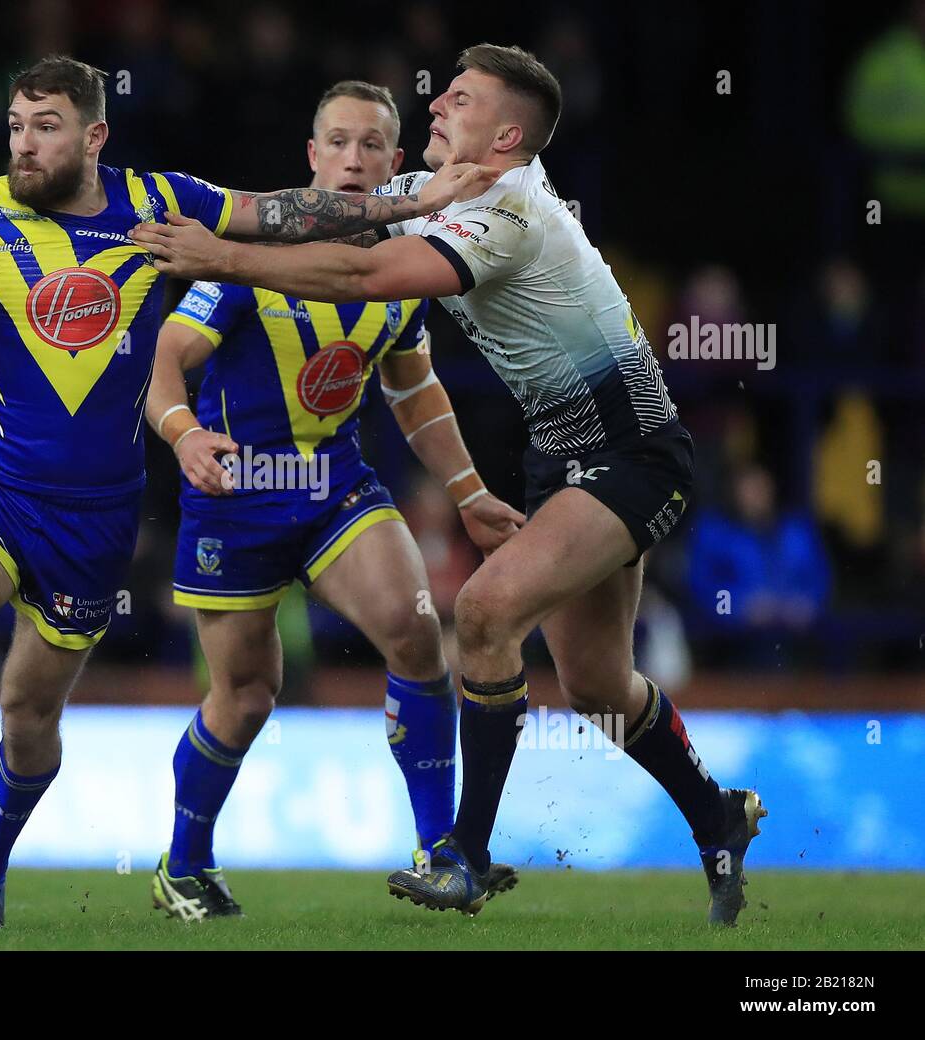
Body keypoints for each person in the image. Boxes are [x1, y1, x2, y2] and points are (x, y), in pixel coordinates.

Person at [0, 54, 495, 929]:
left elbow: (281, 212)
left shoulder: (158, 205)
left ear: (95, 134)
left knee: (28, 717)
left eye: (47, 127)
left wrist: (411, 203)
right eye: (17, 127)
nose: (25, 144)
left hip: (98, 515)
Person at [130, 43, 766, 926]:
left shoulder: (506, 211)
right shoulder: (440, 199)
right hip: (561, 458)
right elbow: (321, 219)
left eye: (456, 100)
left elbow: (363, 273)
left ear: (504, 135)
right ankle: (718, 815)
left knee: (480, 612)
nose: (436, 108)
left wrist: (224, 256)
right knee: (594, 686)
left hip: (631, 450)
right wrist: (229, 225)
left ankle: (462, 853)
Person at [145, 81, 525, 920]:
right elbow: (164, 362)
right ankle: (184, 863)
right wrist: (184, 437)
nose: (354, 158)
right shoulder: (251, 262)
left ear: (395, 164)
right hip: (237, 495)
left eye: (372, 146)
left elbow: (414, 390)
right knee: (246, 697)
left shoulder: (402, 268)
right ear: (312, 159)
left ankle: (440, 850)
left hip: (331, 486)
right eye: (338, 143)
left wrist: (467, 493)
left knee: (419, 631)